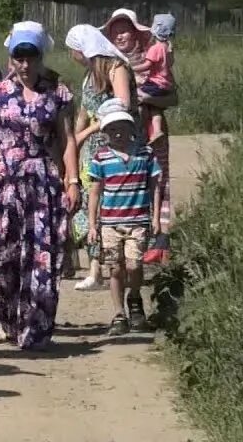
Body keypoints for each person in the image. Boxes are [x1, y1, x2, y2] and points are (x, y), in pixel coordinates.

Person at [0, 22, 78, 351]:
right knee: (4, 258)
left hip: (43, 183)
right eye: (20, 57)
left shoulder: (57, 92)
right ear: (12, 57)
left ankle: (37, 329)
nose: (26, 64)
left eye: (31, 57)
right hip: (6, 186)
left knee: (42, 257)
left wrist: (72, 181)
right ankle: (8, 317)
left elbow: (67, 140)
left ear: (40, 56)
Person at [64, 24, 136, 292]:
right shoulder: (89, 75)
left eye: (73, 49)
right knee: (90, 202)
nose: (72, 55)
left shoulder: (116, 69)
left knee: (114, 203)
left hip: (116, 142)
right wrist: (74, 138)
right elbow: (84, 110)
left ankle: (121, 264)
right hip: (92, 148)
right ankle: (95, 269)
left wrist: (91, 130)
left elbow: (122, 105)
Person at [86, 103, 162, 336]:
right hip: (109, 224)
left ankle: (135, 299)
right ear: (105, 134)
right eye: (112, 129)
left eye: (122, 127)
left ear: (132, 128)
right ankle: (119, 314)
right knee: (115, 268)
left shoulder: (145, 155)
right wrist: (92, 224)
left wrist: (156, 216)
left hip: (138, 220)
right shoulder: (101, 158)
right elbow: (95, 192)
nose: (117, 134)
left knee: (134, 264)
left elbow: (155, 186)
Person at [101, 9, 173, 234]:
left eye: (125, 31)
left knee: (155, 179)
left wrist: (146, 97)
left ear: (135, 34)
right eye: (115, 32)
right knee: (121, 183)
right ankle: (119, 238)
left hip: (150, 132)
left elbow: (173, 95)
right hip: (117, 136)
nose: (120, 36)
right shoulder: (106, 63)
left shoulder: (150, 57)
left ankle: (157, 236)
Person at [136, 14, 178, 143]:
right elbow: (170, 64)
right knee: (155, 107)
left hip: (155, 82)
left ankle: (140, 131)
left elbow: (147, 65)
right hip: (165, 83)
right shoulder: (168, 48)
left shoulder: (155, 48)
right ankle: (157, 130)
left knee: (138, 95)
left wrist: (132, 67)